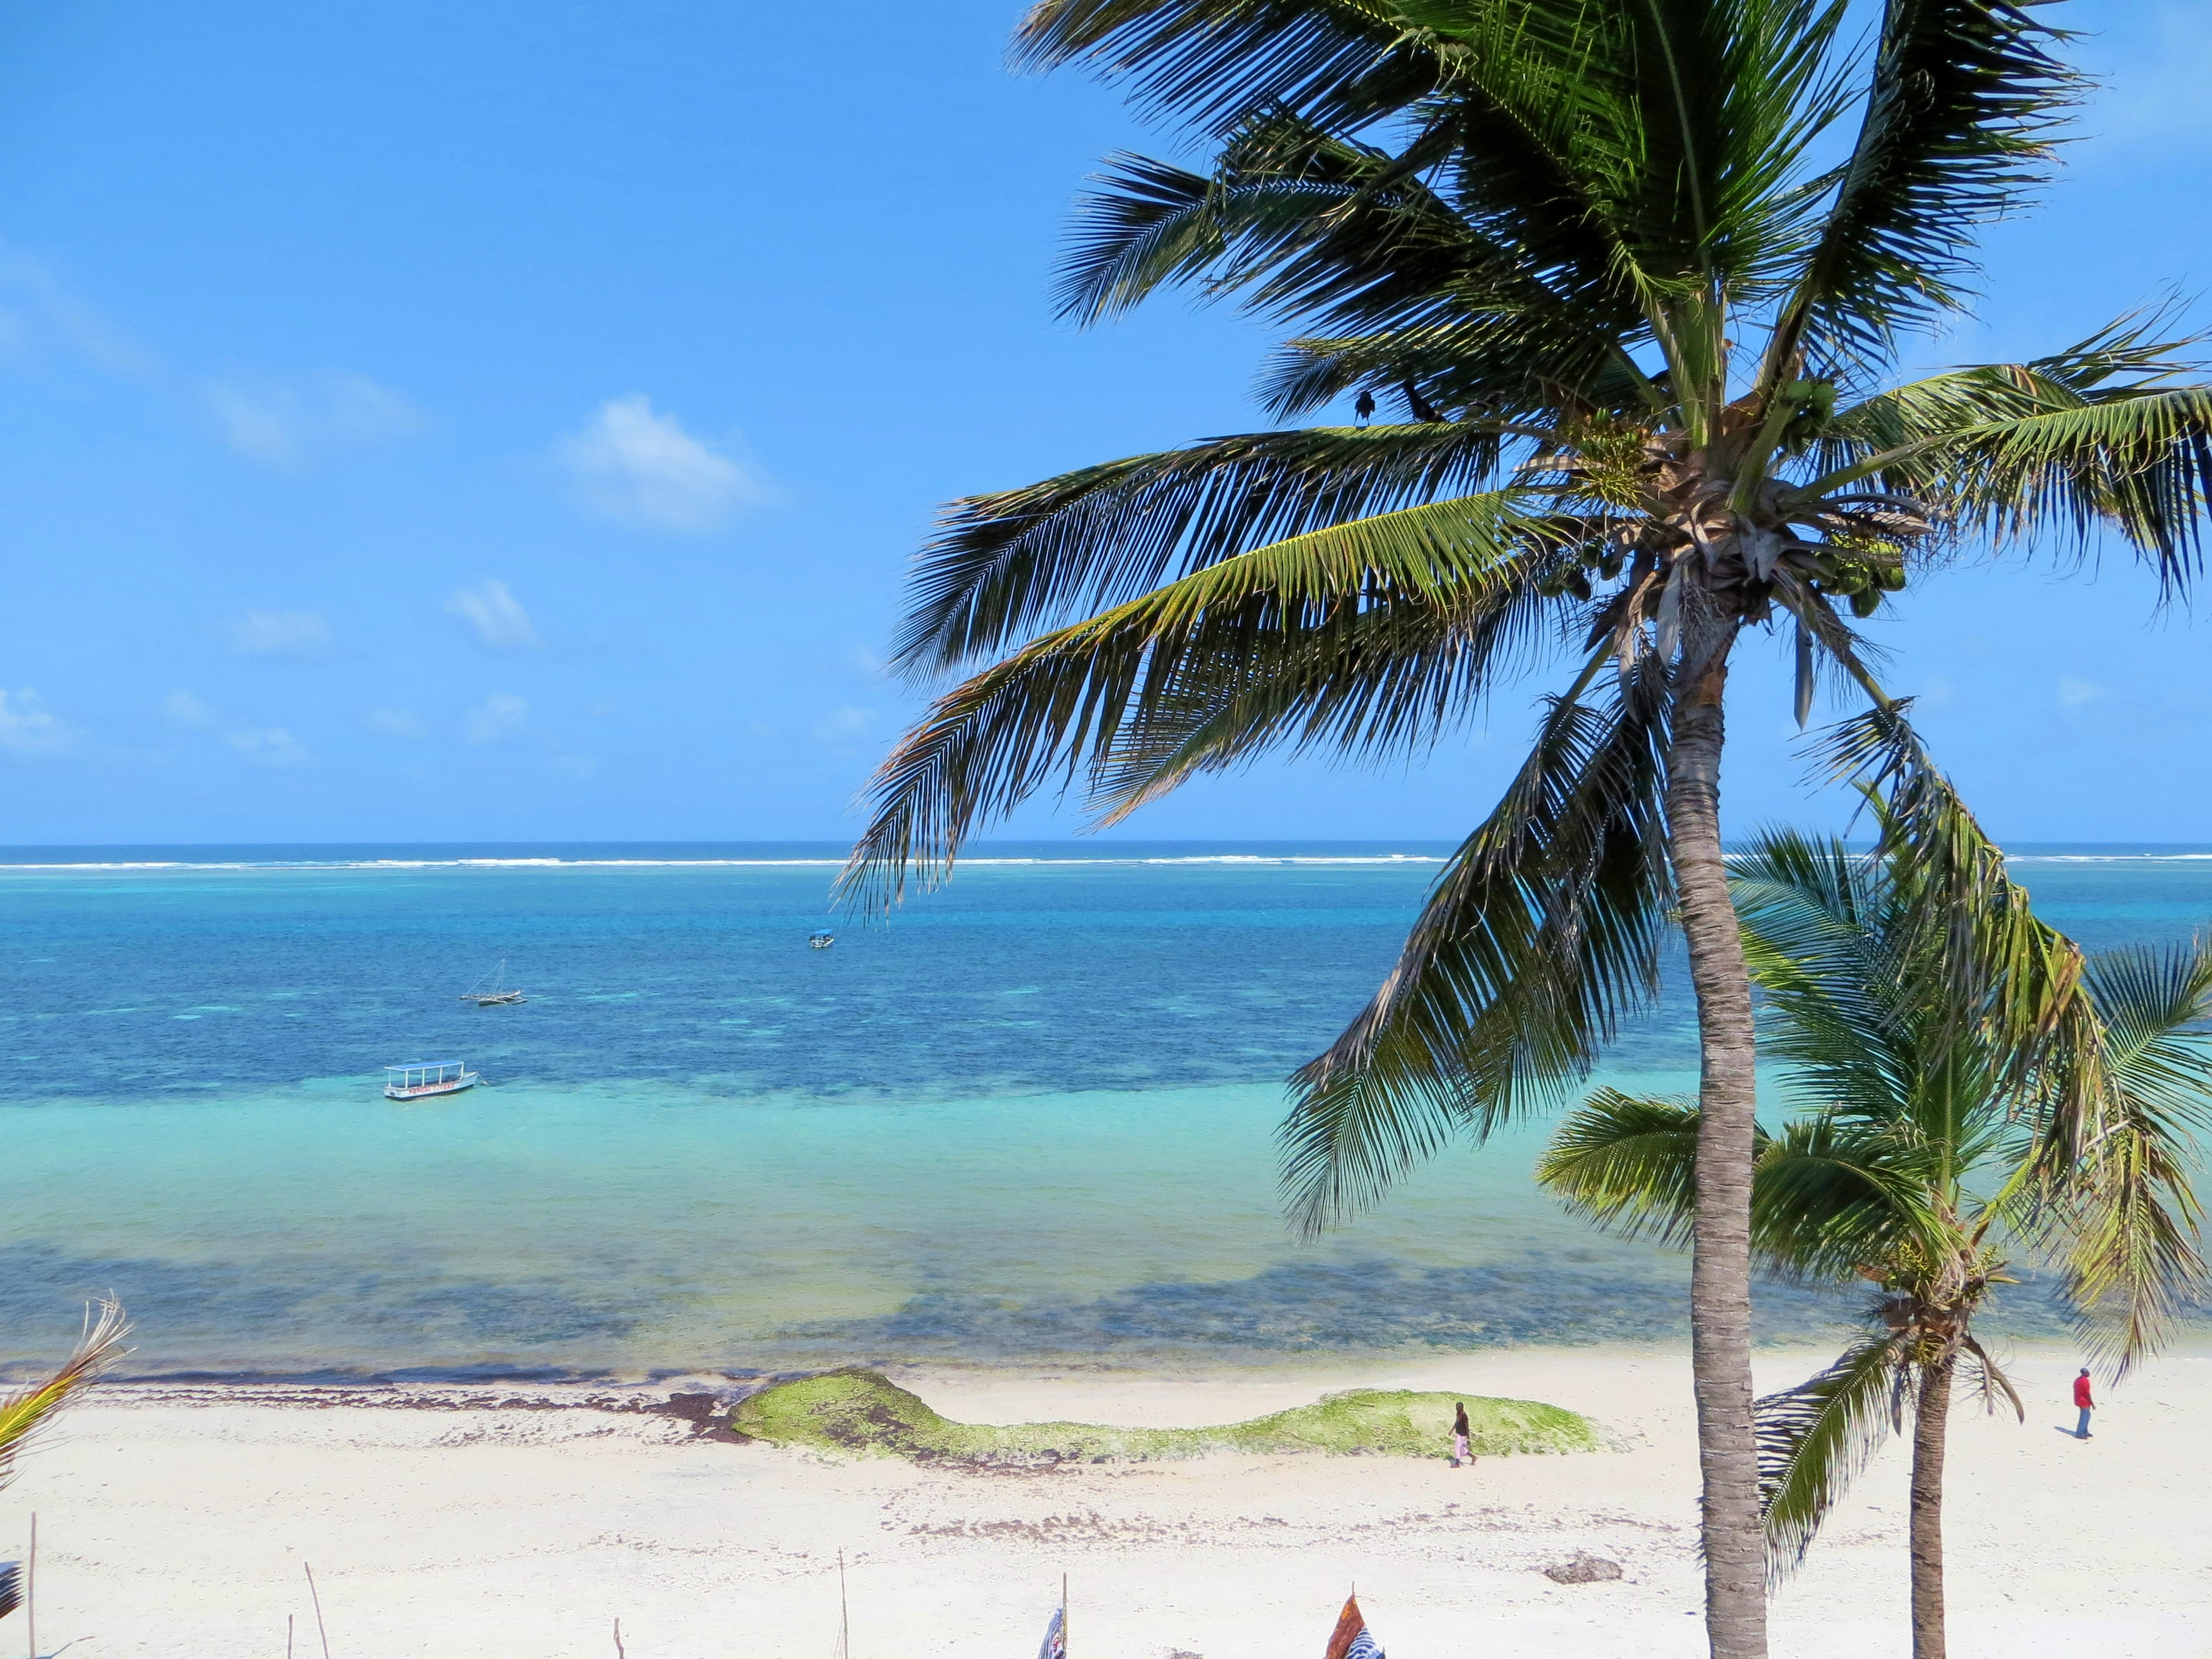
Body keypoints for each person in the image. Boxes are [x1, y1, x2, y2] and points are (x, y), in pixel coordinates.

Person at [2074, 1367, 2094, 1439]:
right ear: (2084, 1373)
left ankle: (2085, 1431)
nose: (2089, 1373)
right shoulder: (2085, 1381)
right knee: (2084, 1417)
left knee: (2087, 1416)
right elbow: (2087, 1394)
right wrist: (2092, 1403)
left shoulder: (2077, 1380)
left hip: (2078, 1400)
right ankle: (2079, 1433)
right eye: (2087, 1372)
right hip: (2084, 1401)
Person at [1449, 1402, 1472, 1469]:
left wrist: (1468, 1439)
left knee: (1457, 1447)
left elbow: (1467, 1427)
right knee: (1461, 1449)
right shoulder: (1458, 1413)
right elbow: (1457, 1422)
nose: (1456, 1408)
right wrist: (1451, 1430)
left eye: (1458, 1407)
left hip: (1463, 1434)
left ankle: (1457, 1463)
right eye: (1456, 1407)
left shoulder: (1464, 1415)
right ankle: (1473, 1457)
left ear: (1462, 1407)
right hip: (1459, 1433)